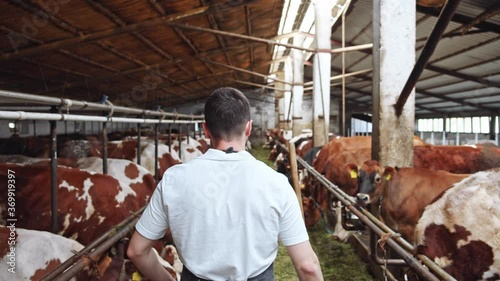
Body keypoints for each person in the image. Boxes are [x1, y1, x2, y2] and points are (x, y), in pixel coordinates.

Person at [127, 87, 324, 281]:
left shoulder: (172, 180)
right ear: (248, 127)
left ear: (205, 130)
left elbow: (136, 251)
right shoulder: (277, 183)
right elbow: (307, 267)